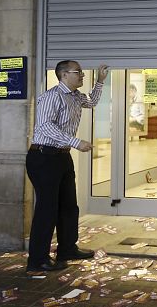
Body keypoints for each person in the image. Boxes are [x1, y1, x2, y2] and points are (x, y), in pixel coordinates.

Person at [25, 60, 109, 272]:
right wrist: (76, 141)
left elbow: (91, 102)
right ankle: (37, 260)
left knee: (69, 205)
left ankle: (67, 249)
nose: (82, 75)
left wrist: (100, 81)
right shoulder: (51, 96)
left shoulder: (75, 96)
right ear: (63, 75)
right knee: (47, 209)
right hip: (43, 157)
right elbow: (44, 126)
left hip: (62, 156)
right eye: (78, 72)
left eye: (81, 72)